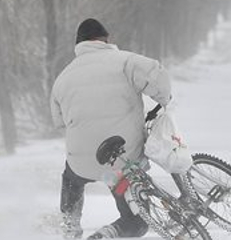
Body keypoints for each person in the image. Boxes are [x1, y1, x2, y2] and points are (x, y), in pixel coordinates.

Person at [51, 18, 173, 239]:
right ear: (106, 40)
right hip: (120, 166)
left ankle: (70, 225)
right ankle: (110, 233)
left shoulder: (63, 77)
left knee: (71, 177)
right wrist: (164, 99)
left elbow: (59, 122)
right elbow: (158, 75)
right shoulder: (125, 61)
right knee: (137, 222)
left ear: (78, 44)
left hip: (82, 163)